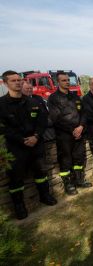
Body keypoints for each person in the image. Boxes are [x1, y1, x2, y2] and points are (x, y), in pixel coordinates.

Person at [0, 70, 57, 219]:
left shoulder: (32, 101)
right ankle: (19, 206)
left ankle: (45, 196)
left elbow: (42, 121)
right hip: (16, 147)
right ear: (5, 83)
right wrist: (22, 140)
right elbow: (3, 128)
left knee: (41, 173)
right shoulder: (1, 104)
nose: (18, 82)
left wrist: (36, 136)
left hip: (36, 144)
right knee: (16, 178)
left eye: (19, 80)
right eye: (13, 81)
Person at [48, 72, 92, 195]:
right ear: (58, 82)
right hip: (64, 135)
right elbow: (55, 118)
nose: (67, 82)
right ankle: (68, 184)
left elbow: (83, 113)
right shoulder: (53, 98)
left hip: (79, 132)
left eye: (68, 80)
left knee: (79, 157)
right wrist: (73, 130)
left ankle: (79, 180)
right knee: (65, 159)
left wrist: (81, 126)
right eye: (63, 80)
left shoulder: (75, 96)